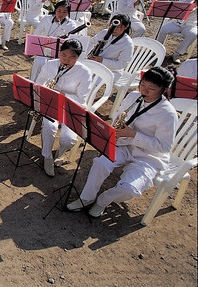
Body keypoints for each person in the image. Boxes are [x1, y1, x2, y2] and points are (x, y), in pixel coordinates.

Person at [67, 66, 178, 218]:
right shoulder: (133, 97)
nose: (144, 90)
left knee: (130, 189)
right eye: (143, 84)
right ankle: (86, 198)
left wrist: (134, 135)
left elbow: (164, 146)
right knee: (100, 163)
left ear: (164, 90)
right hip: (124, 144)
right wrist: (117, 129)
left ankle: (103, 201)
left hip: (148, 157)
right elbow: (119, 114)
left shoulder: (168, 113)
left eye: (151, 88)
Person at [35, 39, 92, 176]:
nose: (66, 60)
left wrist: (62, 95)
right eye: (64, 55)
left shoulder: (85, 72)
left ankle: (60, 153)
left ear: (78, 58)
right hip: (52, 104)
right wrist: (45, 92)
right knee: (49, 127)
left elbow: (81, 98)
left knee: (69, 139)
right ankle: (47, 156)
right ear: (59, 53)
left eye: (72, 57)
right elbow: (39, 81)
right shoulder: (51, 65)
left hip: (72, 107)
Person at [156, 0, 197, 64]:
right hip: (177, 23)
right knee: (164, 29)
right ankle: (157, 49)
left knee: (193, 34)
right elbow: (176, 11)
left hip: (190, 25)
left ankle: (177, 54)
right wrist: (189, 6)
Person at [87, 14, 134, 82]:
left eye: (118, 27)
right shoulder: (104, 32)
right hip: (94, 64)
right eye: (112, 25)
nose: (114, 29)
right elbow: (91, 42)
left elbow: (122, 64)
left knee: (92, 82)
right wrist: (87, 54)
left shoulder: (127, 43)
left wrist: (102, 60)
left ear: (126, 27)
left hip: (111, 71)